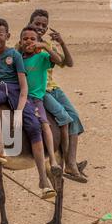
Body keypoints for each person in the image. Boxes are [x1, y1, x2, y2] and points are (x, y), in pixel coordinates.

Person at [0, 18, 56, 196]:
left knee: (35, 127)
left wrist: (19, 111)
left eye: (0, 34)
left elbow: (24, 86)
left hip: (16, 92)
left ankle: (44, 179)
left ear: (8, 36)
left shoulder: (16, 55)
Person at [29, 9, 88, 183]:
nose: (40, 28)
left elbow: (68, 63)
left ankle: (71, 161)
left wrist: (61, 43)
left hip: (54, 88)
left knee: (75, 118)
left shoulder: (48, 45)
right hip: (41, 91)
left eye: (43, 26)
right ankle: (68, 162)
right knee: (65, 119)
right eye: (37, 24)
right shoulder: (26, 43)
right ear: (30, 23)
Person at [20, 25, 63, 173]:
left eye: (33, 39)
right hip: (20, 98)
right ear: (20, 42)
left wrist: (45, 46)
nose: (28, 41)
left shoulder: (42, 57)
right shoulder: (18, 59)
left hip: (36, 99)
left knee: (44, 124)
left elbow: (58, 60)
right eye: (25, 39)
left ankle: (52, 159)